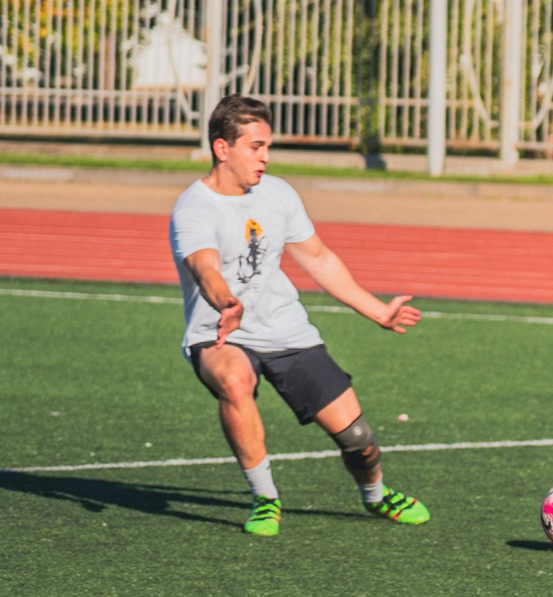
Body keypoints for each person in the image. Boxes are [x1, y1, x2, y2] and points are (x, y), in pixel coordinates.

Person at [170, 94, 431, 536]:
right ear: (222, 149)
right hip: (219, 334)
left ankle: (376, 496)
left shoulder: (278, 194)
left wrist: (376, 311)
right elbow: (205, 268)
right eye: (256, 147)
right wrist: (227, 304)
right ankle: (265, 499)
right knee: (235, 381)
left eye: (268, 147)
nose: (265, 158)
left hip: (284, 328)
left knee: (358, 440)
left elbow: (319, 259)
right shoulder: (194, 208)